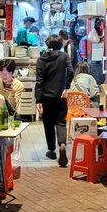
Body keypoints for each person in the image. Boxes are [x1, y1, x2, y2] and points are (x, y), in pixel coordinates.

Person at [35, 34, 73, 167]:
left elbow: (39, 81)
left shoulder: (41, 59)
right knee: (61, 121)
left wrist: (38, 100)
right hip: (60, 95)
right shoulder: (64, 56)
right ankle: (62, 144)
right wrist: (66, 87)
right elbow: (71, 71)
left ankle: (51, 150)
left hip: (46, 97)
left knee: (48, 123)